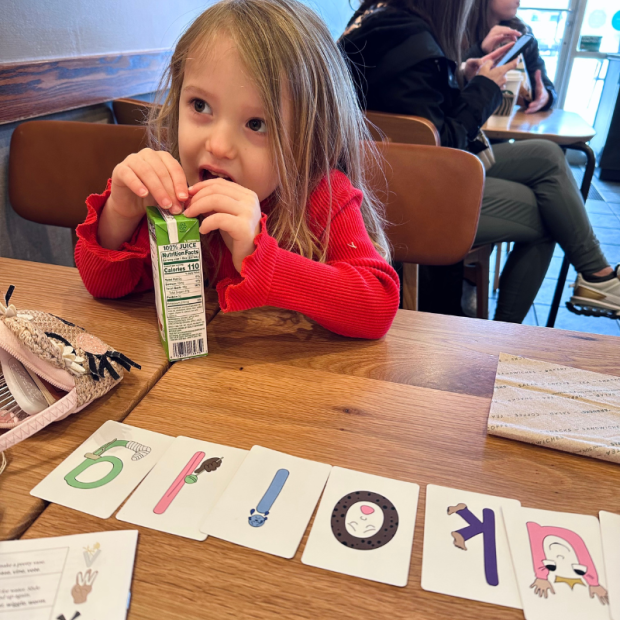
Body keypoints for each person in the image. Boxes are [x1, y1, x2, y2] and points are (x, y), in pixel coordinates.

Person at [75, 0, 400, 340]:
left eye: (256, 124)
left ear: (309, 140)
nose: (218, 145)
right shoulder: (168, 190)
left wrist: (258, 258)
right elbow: (101, 286)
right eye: (200, 106)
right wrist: (121, 215)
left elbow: (376, 308)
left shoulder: (320, 196)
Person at [340, 0, 620, 323]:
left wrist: (459, 74)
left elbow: (419, 112)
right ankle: (505, 335)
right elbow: (439, 149)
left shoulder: (375, 21)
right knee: (550, 215)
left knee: (547, 155)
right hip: (413, 197)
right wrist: (484, 89)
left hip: (379, 180)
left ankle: (597, 276)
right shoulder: (415, 42)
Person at [466, 0, 556, 114]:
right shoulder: (455, 31)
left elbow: (544, 83)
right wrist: (480, 50)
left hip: (506, 124)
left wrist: (546, 96)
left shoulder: (522, 33)